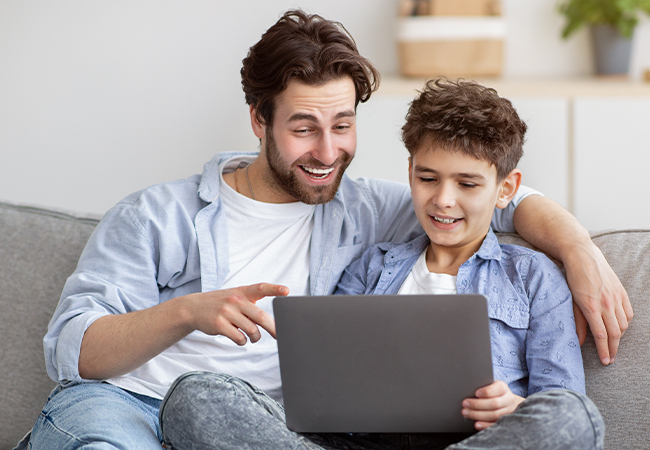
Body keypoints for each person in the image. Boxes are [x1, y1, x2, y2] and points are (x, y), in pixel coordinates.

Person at [17, 10, 625, 449]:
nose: (328, 150)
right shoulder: (156, 215)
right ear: (259, 120)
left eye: (343, 124)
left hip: (285, 428)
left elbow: (490, 198)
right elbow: (72, 350)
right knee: (189, 401)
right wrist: (189, 311)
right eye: (304, 127)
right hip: (134, 403)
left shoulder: (367, 209)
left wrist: (577, 248)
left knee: (570, 422)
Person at [160, 78, 604, 449]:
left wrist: (514, 408)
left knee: (576, 418)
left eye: (467, 184)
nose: (443, 200)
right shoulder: (371, 266)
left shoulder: (532, 278)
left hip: (476, 442)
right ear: (410, 171)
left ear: (505, 190)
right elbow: (324, 380)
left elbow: (560, 398)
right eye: (428, 178)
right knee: (193, 396)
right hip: (356, 442)